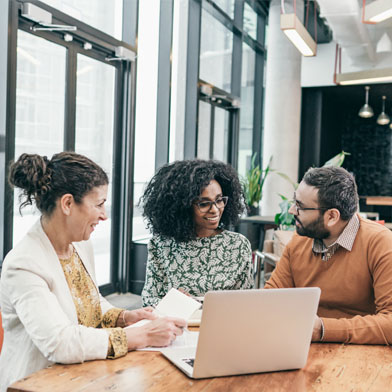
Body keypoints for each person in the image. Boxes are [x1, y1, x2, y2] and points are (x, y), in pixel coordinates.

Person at [0, 152, 186, 391]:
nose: (104, 215)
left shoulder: (79, 244)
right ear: (67, 204)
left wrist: (125, 317)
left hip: (83, 374)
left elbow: (90, 301)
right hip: (37, 383)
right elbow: (60, 343)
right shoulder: (23, 264)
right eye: (98, 204)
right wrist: (142, 336)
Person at [265, 166, 392, 344]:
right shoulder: (298, 242)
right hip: (303, 349)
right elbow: (269, 301)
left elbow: (390, 323)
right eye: (295, 201)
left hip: (364, 355)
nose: (292, 210)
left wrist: (323, 329)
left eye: (300, 206)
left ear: (332, 216)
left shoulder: (380, 243)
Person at [141, 159, 254, 307]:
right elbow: (149, 299)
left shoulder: (238, 245)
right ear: (183, 206)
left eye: (219, 200)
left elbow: (246, 300)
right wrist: (178, 303)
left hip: (223, 323)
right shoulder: (162, 245)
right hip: (176, 325)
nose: (214, 209)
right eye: (204, 203)